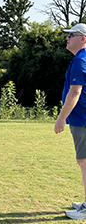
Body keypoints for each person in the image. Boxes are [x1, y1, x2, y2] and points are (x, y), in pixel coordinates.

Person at [54, 23, 86, 220]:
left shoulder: (80, 61)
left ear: (83, 38)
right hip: (83, 119)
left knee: (84, 162)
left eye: (71, 35)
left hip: (82, 119)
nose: (67, 38)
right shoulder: (81, 59)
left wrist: (61, 118)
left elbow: (75, 92)